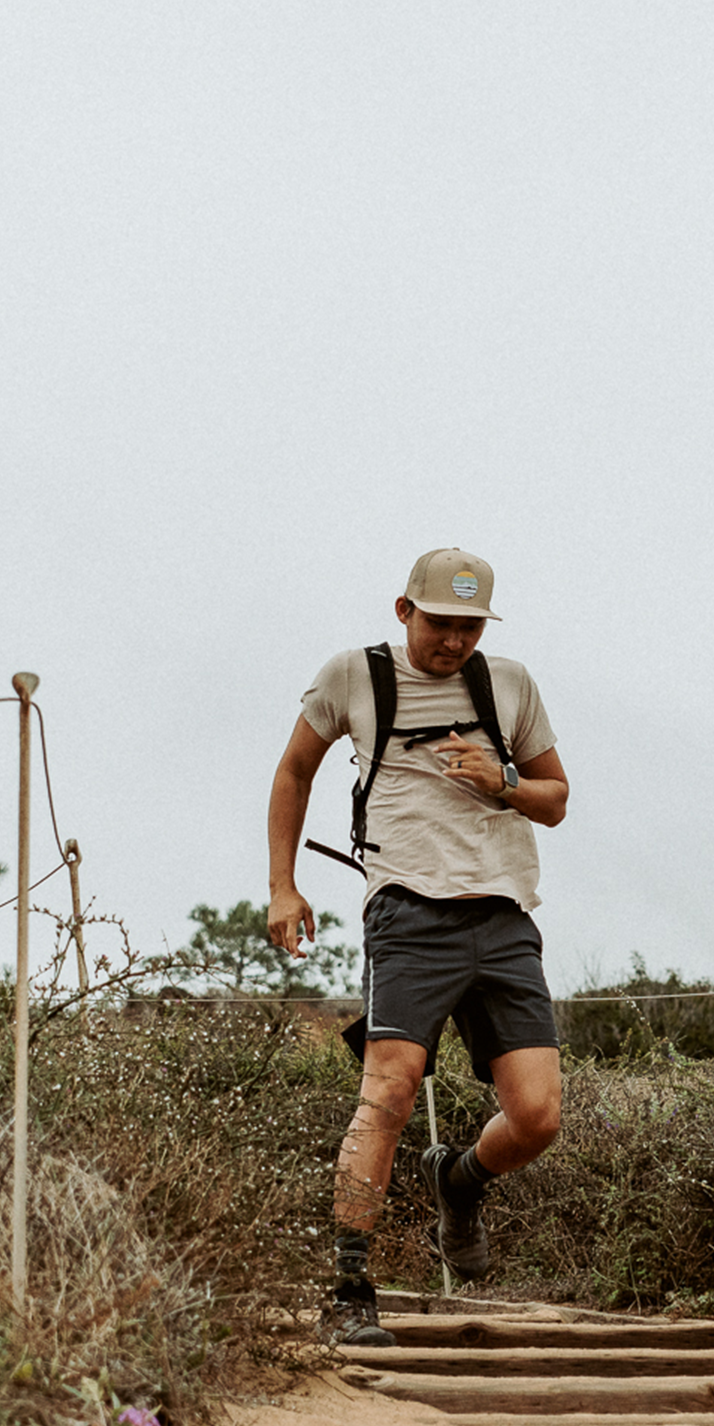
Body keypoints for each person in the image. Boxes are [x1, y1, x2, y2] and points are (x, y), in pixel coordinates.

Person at [267, 547, 570, 1345]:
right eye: (440, 623)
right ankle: (348, 1291)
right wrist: (283, 886)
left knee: (537, 1118)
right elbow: (294, 771)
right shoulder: (353, 677)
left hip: (503, 916)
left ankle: (459, 1181)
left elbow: (556, 800)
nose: (455, 641)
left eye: (471, 627)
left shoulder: (510, 685)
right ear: (404, 611)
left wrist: (502, 781)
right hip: (407, 914)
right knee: (390, 1091)